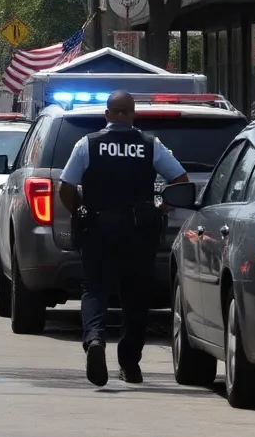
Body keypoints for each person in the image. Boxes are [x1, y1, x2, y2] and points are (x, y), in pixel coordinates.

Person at [58, 90, 188, 388]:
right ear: (132, 115)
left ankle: (94, 340)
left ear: (107, 115)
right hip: (138, 231)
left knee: (94, 289)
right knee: (135, 296)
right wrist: (161, 207)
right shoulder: (149, 144)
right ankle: (129, 364)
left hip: (97, 227)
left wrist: (78, 210)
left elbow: (66, 186)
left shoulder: (86, 144)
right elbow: (179, 181)